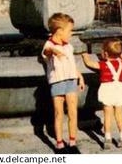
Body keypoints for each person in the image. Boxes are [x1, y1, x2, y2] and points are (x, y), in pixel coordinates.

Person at [41, 12, 85, 154]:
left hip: (71, 80)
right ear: (59, 31)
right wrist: (54, 50)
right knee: (59, 113)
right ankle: (60, 144)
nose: (71, 34)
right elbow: (47, 52)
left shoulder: (68, 46)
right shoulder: (49, 44)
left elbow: (72, 63)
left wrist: (79, 76)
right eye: (69, 31)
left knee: (73, 111)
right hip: (57, 82)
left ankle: (72, 142)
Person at [82, 39, 122, 150]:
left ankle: (107, 139)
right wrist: (121, 55)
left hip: (108, 90)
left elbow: (89, 63)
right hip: (119, 89)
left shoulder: (103, 65)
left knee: (107, 116)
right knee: (119, 115)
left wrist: (85, 56)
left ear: (105, 54)